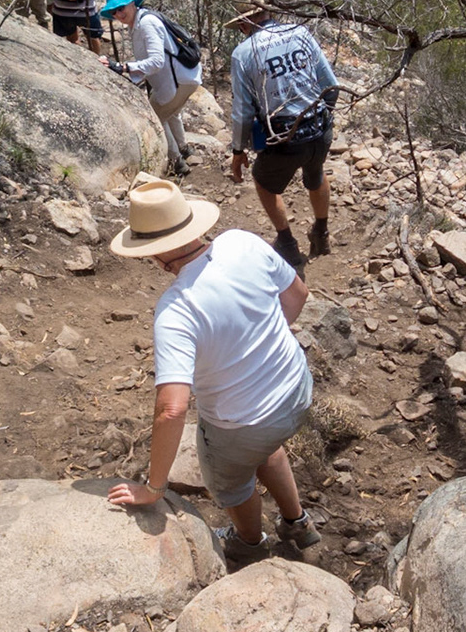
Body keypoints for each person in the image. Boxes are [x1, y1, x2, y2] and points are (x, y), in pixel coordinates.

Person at [106, 174, 322, 563]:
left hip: (242, 425)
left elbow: (172, 409)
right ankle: (298, 523)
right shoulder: (242, 241)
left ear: (155, 255)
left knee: (234, 479)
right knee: (267, 447)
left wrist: (154, 487)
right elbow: (298, 294)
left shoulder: (176, 310)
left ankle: (249, 543)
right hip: (296, 388)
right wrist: (259, 347)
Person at [228, 0, 338, 274]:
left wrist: (238, 150)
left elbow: (242, 110)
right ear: (268, 12)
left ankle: (287, 243)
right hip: (319, 126)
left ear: (244, 23)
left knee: (263, 181)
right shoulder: (300, 33)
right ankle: (321, 232)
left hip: (285, 136)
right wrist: (325, 117)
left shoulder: (243, 54)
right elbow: (329, 82)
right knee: (315, 172)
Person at [100, 0, 200, 177]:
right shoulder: (138, 23)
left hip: (178, 80)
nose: (119, 14)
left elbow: (156, 61)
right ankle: (184, 149)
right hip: (185, 78)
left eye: (121, 8)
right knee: (170, 113)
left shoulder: (146, 24)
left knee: (155, 116)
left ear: (132, 4)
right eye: (114, 12)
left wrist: (123, 67)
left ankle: (176, 161)